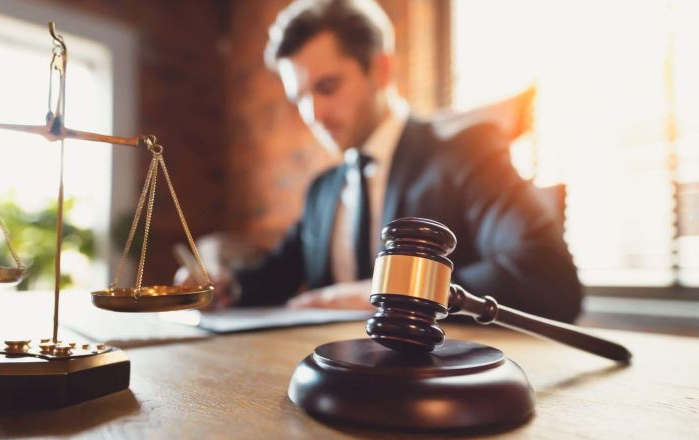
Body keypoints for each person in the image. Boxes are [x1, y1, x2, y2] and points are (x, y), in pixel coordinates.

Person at [177, 0, 582, 322]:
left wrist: (396, 291)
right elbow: (275, 277)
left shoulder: (464, 151)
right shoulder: (323, 191)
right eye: (300, 98)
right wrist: (223, 287)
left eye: (328, 87)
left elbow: (550, 278)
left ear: (381, 69)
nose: (313, 114)